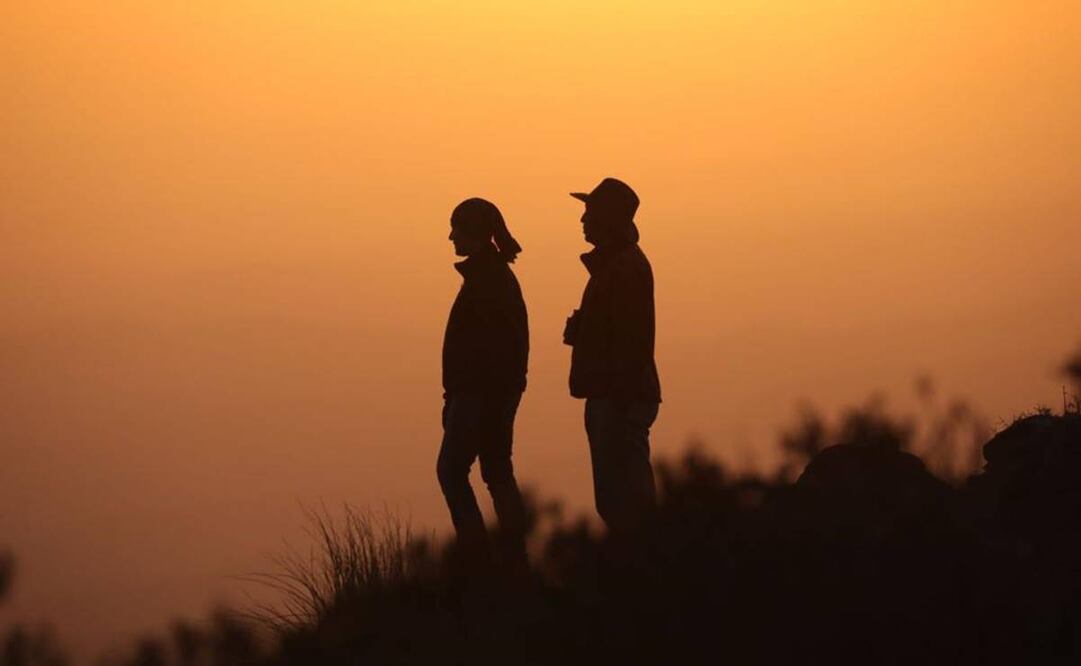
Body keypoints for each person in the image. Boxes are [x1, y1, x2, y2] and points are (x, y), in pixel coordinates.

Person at [564, 177, 661, 534]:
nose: (582, 220)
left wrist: (618, 399)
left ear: (607, 219)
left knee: (624, 501)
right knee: (618, 499)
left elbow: (631, 341)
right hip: (616, 397)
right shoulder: (618, 266)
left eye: (589, 212)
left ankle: (640, 572)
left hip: (618, 399)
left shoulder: (623, 269)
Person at [438, 197, 530, 569]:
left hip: (479, 396)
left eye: (455, 228)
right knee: (496, 471)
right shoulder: (492, 277)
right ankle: (512, 558)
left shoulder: (489, 281)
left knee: (452, 470)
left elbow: (487, 351)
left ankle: (478, 558)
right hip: (488, 394)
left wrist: (464, 399)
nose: (449, 237)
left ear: (473, 233)